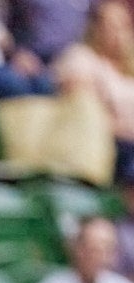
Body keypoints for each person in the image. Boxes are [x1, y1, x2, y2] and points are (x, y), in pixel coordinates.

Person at [53, 0, 134, 184]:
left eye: (123, 26)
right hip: (104, 144)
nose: (118, 33)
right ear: (95, 27)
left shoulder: (130, 66)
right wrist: (127, 131)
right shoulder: (80, 58)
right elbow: (85, 117)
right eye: (110, 25)